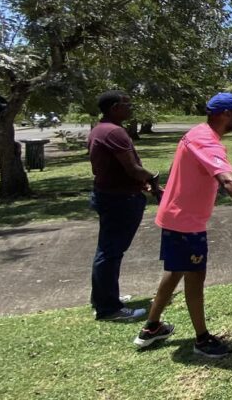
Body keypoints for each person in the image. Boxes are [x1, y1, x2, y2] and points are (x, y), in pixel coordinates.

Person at [133, 92, 232, 357]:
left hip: (177, 215)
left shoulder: (199, 133)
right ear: (224, 114)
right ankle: (202, 339)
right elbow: (227, 180)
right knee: (194, 276)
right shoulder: (206, 140)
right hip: (185, 221)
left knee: (176, 270)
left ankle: (152, 327)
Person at [87, 90, 161, 321]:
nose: (131, 108)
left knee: (107, 250)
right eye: (127, 104)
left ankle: (102, 297)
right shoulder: (115, 132)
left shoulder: (99, 129)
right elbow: (133, 169)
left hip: (109, 195)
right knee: (111, 252)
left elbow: (121, 170)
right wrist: (154, 179)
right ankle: (109, 308)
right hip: (120, 200)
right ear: (115, 108)